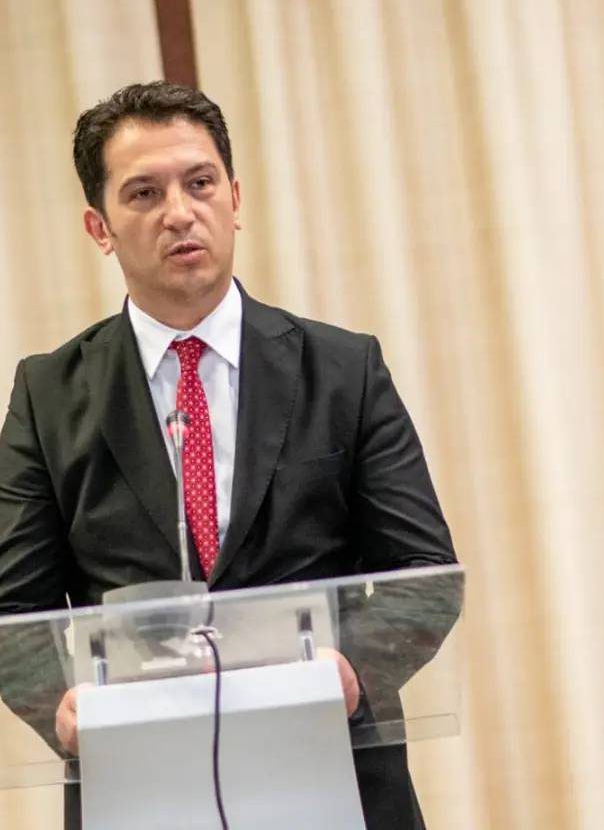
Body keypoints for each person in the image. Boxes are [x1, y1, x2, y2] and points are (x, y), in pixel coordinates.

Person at [0, 82, 457, 829]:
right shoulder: (48, 395)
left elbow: (424, 575)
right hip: (141, 779)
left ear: (235, 198)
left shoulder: (342, 370)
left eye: (200, 183)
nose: (180, 212)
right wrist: (61, 704)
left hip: (332, 764)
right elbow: (14, 608)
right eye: (144, 193)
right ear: (99, 227)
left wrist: (351, 670)